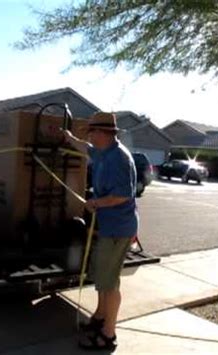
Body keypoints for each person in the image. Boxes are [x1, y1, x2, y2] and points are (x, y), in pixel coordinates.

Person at [62, 111, 138, 352]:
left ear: (104, 133)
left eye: (92, 132)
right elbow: (86, 148)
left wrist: (96, 203)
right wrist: (69, 137)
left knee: (109, 283)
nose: (90, 137)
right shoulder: (104, 151)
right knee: (102, 276)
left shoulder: (118, 159)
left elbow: (122, 195)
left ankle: (108, 334)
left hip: (118, 229)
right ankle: (99, 317)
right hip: (108, 227)